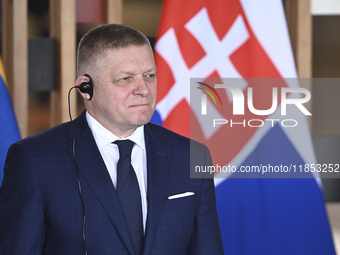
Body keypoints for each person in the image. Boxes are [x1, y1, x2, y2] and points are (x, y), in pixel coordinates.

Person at [0, 24, 223, 254]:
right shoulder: (34, 161)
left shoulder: (190, 155)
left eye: (149, 75)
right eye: (125, 79)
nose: (144, 89)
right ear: (86, 89)